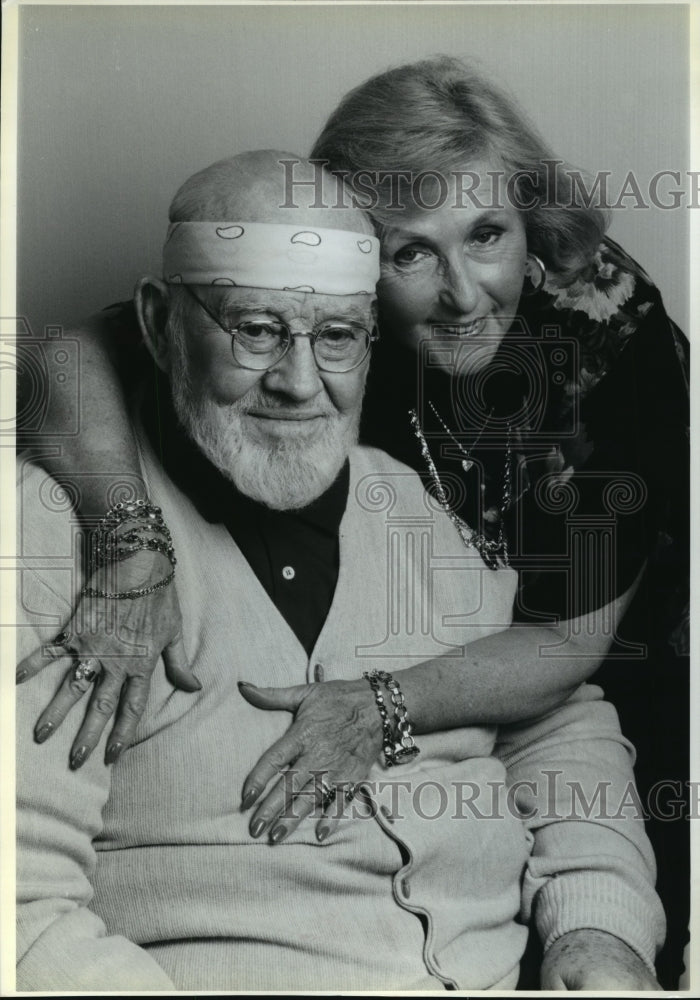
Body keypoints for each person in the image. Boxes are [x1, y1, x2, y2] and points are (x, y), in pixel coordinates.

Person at [17, 58, 689, 982]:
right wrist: (129, 540)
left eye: (487, 234)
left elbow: (564, 673)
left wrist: (600, 927)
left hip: (628, 657)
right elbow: (59, 355)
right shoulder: (58, 524)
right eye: (411, 252)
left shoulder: (606, 337)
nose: (463, 293)